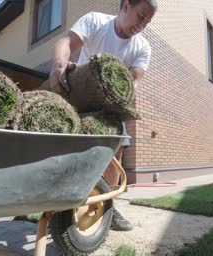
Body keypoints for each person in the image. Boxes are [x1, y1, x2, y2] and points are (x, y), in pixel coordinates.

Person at [49, 0, 158, 231]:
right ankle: (50, 203)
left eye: (147, 21)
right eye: (141, 16)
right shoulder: (96, 21)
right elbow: (66, 41)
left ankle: (107, 206)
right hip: (78, 95)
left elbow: (133, 83)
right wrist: (59, 65)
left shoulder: (142, 47)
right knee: (64, 146)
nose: (142, 24)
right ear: (126, 5)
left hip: (109, 105)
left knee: (114, 147)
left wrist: (117, 96)